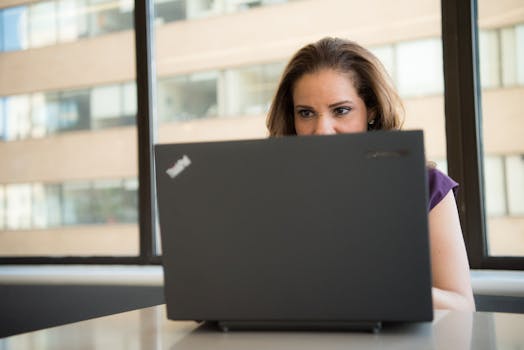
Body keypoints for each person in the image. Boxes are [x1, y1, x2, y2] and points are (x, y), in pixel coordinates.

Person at [266, 37, 476, 311]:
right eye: (306, 113)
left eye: (340, 111)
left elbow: (461, 305)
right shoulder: (270, 190)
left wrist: (380, 285)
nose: (322, 129)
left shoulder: (427, 187)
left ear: (372, 111)